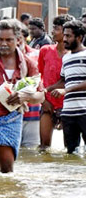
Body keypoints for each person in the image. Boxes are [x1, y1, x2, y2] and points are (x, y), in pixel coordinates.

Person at [0, 18, 41, 173]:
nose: (3, 43)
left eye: (8, 40)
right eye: (0, 39)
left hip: (11, 119)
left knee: (6, 170)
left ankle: (5, 197)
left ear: (18, 40)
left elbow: (41, 95)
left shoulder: (27, 63)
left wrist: (25, 97)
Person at [47, 19, 86, 154]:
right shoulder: (66, 58)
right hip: (69, 113)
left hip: (84, 110)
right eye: (64, 35)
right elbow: (63, 81)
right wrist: (46, 89)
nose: (64, 39)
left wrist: (66, 90)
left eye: (68, 36)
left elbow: (66, 87)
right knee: (71, 153)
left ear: (79, 37)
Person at [39, 16, 70, 149]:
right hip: (48, 103)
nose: (52, 31)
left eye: (56, 28)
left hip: (69, 106)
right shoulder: (45, 50)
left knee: (70, 148)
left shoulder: (74, 54)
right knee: (43, 147)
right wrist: (43, 101)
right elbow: (38, 78)